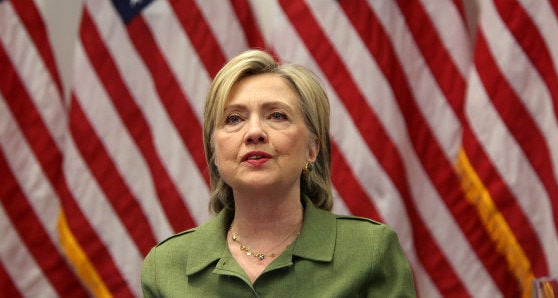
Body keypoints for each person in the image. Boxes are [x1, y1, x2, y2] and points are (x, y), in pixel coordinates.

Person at [141, 49, 416, 297]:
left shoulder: (370, 250)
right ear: (214, 152)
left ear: (312, 149)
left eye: (277, 116)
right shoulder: (165, 267)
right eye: (234, 119)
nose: (255, 132)